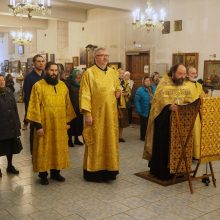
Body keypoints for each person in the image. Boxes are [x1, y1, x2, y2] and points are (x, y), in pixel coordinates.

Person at [26, 62, 76, 185]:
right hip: (45, 124)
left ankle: (56, 172)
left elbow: (67, 105)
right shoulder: (38, 86)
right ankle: (43, 174)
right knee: (44, 149)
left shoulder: (62, 86)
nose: (54, 73)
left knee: (57, 148)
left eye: (55, 71)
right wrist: (38, 126)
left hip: (59, 125)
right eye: (51, 70)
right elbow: (33, 107)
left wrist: (67, 122)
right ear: (46, 71)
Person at [143, 64, 193, 180]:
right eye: (180, 74)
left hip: (181, 123)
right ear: (173, 72)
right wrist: (168, 107)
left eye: (184, 74)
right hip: (165, 124)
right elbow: (157, 104)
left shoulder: (185, 85)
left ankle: (179, 170)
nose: (182, 76)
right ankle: (163, 172)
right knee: (164, 147)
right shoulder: (164, 84)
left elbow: (189, 100)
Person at [79, 47, 121, 182]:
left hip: (110, 115)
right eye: (102, 55)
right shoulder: (89, 73)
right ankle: (94, 172)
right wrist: (87, 114)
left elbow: (118, 88)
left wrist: (119, 94)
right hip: (96, 115)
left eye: (107, 55)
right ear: (95, 57)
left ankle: (110, 170)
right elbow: (85, 95)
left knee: (110, 140)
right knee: (95, 141)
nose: (105, 58)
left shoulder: (113, 72)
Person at [0, 74, 22, 177]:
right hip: (1, 125)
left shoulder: (9, 91)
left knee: (10, 147)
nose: (1, 82)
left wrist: (17, 123)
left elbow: (15, 108)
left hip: (11, 124)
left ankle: (10, 166)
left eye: (3, 80)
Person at [23, 54, 45, 152]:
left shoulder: (45, 76)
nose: (41, 63)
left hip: (45, 111)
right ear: (34, 63)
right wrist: (29, 115)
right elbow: (27, 98)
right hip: (35, 112)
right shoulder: (29, 78)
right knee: (34, 135)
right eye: (38, 61)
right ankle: (34, 156)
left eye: (42, 61)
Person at [185, 66, 205, 159]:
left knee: (198, 133)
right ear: (187, 74)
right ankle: (190, 154)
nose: (195, 75)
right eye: (192, 73)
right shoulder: (184, 84)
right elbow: (183, 97)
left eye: (195, 73)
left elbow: (202, 95)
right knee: (191, 133)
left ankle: (197, 154)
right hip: (189, 112)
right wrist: (192, 100)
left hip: (198, 112)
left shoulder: (199, 85)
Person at [65, 69, 84, 147]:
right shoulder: (68, 82)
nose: (79, 76)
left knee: (78, 123)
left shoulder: (81, 83)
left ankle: (76, 139)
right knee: (71, 123)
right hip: (71, 106)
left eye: (80, 75)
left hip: (79, 106)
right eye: (77, 74)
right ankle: (69, 140)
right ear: (74, 74)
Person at [135, 76, 155, 141]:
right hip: (144, 109)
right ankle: (143, 137)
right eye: (146, 81)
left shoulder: (153, 88)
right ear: (143, 82)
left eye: (149, 81)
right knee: (144, 124)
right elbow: (137, 101)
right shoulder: (140, 90)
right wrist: (139, 110)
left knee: (151, 123)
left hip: (152, 108)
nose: (148, 82)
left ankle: (150, 136)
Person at [118, 69, 131, 142]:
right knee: (116, 123)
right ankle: (115, 137)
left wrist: (127, 94)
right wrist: (120, 93)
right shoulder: (115, 81)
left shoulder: (126, 82)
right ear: (118, 74)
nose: (122, 74)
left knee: (122, 123)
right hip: (117, 105)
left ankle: (120, 137)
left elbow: (129, 92)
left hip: (124, 104)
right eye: (120, 73)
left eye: (123, 73)